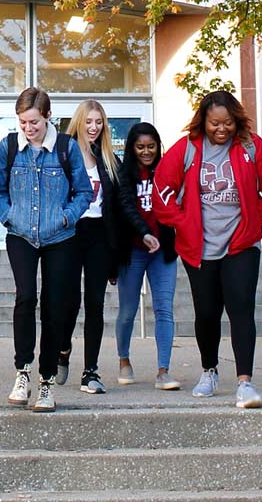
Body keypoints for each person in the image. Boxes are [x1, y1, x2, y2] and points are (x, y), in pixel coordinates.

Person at [152, 90, 262, 409]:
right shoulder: (187, 149)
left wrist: (255, 224)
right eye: (214, 124)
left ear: (236, 121)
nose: (221, 129)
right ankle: (209, 370)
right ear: (203, 122)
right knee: (206, 314)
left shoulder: (252, 146)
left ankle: (245, 383)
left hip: (242, 245)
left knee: (241, 310)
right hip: (200, 248)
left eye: (227, 123)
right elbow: (162, 191)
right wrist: (183, 223)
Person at [0, 87, 93, 413]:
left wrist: (66, 216)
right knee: (25, 297)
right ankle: (22, 371)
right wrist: (8, 215)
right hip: (21, 235)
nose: (28, 128)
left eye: (33, 122)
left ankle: (46, 380)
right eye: (23, 122)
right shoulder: (9, 147)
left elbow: (83, 192)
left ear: (47, 116)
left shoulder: (66, 148)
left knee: (54, 306)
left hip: (60, 237)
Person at [62, 100, 128, 395]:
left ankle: (90, 371)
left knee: (95, 304)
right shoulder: (64, 155)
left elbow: (120, 207)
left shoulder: (110, 160)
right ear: (79, 122)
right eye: (88, 121)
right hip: (71, 233)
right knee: (68, 302)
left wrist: (117, 256)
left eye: (99, 122)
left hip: (100, 235)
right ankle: (63, 349)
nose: (93, 127)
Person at [113, 122, 182, 391]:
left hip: (163, 251)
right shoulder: (124, 173)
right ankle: (124, 360)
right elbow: (127, 207)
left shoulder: (167, 172)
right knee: (128, 311)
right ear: (132, 147)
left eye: (151, 146)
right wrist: (143, 233)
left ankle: (163, 371)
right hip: (132, 250)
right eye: (140, 147)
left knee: (164, 309)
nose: (146, 152)